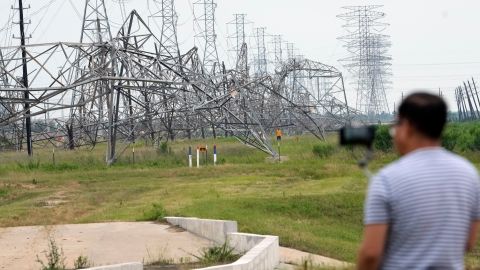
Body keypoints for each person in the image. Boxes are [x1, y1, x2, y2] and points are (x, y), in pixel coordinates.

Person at [357, 92, 480, 270]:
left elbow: (370, 254)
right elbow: (468, 242)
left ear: (407, 126)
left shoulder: (386, 179)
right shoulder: (469, 174)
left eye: (396, 125)